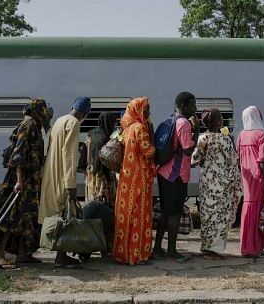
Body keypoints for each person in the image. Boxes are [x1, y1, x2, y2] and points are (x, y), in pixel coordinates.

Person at [0, 98, 51, 269]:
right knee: (12, 216)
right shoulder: (29, 125)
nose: (46, 113)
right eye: (44, 109)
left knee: (26, 216)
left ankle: (23, 255)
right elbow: (19, 154)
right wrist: (18, 181)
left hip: (30, 180)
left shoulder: (34, 125)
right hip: (22, 181)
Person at [39, 97, 91, 268]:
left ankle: (60, 254)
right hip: (62, 175)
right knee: (66, 216)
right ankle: (61, 256)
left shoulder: (60, 120)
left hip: (51, 173)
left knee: (56, 215)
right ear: (85, 113)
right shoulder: (74, 123)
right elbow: (69, 155)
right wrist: (71, 184)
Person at [152, 92, 200, 261]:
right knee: (174, 214)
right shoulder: (184, 124)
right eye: (193, 105)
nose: (195, 109)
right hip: (176, 175)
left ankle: (157, 248)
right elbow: (188, 149)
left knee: (165, 212)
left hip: (164, 172)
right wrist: (197, 131)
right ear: (184, 105)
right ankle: (172, 251)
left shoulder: (171, 120)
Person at [192, 108, 242, 260]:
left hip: (207, 183)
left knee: (207, 214)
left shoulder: (202, 139)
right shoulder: (226, 139)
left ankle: (207, 246)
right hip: (223, 183)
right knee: (220, 215)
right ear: (219, 122)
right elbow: (234, 160)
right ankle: (213, 248)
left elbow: (194, 160)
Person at [112, 97, 156, 265]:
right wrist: (151, 131)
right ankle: (136, 254)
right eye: (146, 109)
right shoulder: (140, 129)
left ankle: (122, 253)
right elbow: (149, 152)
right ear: (139, 110)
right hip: (140, 179)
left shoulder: (127, 129)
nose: (149, 112)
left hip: (127, 178)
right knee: (139, 214)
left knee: (126, 214)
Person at [237, 106, 264, 257]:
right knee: (257, 209)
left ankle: (245, 246)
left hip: (246, 176)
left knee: (248, 207)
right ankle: (254, 247)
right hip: (258, 177)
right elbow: (261, 161)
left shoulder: (241, 135)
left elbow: (238, 155)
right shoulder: (261, 134)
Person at [85, 112, 117, 208]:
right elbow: (105, 160)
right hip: (102, 176)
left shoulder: (90, 133)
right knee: (103, 205)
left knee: (91, 203)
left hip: (90, 174)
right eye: (113, 123)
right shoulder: (106, 138)